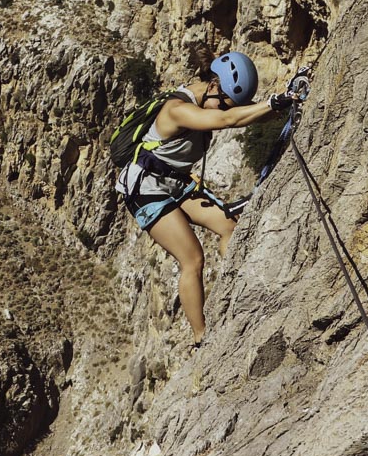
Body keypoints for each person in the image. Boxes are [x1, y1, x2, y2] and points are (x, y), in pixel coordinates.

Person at [117, 52, 302, 343]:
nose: (227, 107)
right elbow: (227, 119)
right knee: (192, 259)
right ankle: (201, 336)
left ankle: (240, 286)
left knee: (231, 227)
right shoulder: (177, 109)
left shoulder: (209, 98)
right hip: (145, 187)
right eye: (227, 100)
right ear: (213, 86)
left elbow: (232, 114)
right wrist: (269, 104)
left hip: (174, 182)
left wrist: (283, 101)